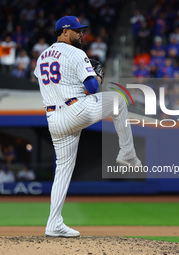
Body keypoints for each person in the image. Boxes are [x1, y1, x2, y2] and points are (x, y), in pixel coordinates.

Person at [34, 16, 141, 238]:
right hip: (76, 109)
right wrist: (97, 78)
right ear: (64, 32)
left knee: (62, 170)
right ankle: (128, 153)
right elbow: (92, 88)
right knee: (118, 101)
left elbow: (49, 82)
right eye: (77, 30)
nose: (81, 33)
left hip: (54, 119)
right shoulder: (76, 53)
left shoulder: (41, 57)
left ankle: (53, 223)